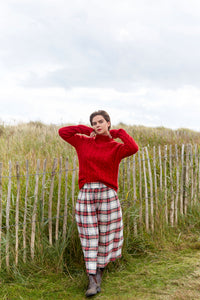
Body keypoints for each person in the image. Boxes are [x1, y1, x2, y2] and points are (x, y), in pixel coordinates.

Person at [58, 110, 139, 297]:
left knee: (106, 236)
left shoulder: (115, 147)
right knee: (90, 235)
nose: (97, 125)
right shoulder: (83, 142)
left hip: (108, 194)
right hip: (86, 194)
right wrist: (86, 130)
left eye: (100, 122)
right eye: (94, 123)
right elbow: (63, 132)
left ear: (108, 123)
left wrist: (118, 133)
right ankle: (91, 278)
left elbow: (133, 148)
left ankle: (98, 275)